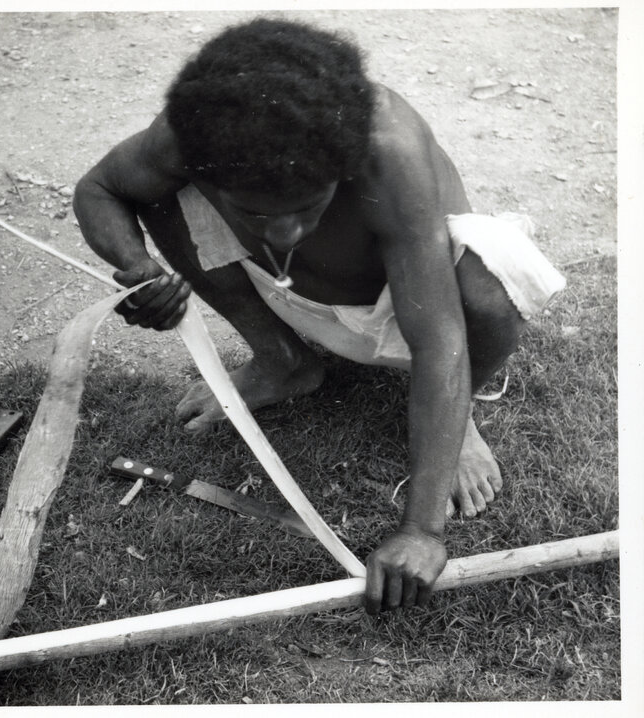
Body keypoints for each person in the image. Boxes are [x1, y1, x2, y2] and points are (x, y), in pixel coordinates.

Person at [72, 18, 565, 614]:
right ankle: (281, 360)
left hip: (402, 309)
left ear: (344, 166)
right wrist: (140, 270)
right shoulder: (193, 136)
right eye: (256, 213)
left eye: (309, 207)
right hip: (284, 292)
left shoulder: (386, 147)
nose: (285, 234)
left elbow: (439, 338)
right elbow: (101, 188)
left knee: (495, 268)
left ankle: (458, 427)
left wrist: (422, 530)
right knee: (158, 191)